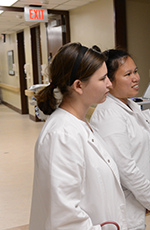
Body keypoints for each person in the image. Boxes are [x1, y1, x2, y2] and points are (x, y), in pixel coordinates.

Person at [29, 43, 128, 230]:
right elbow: (65, 219)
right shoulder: (62, 136)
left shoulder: (81, 125)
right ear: (79, 86)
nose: (109, 83)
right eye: (103, 78)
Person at [90, 49, 150, 230]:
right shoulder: (109, 114)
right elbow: (124, 168)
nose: (135, 78)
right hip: (124, 206)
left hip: (137, 199)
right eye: (127, 74)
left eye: (135, 71)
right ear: (109, 81)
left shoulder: (130, 105)